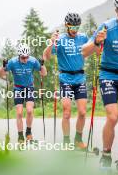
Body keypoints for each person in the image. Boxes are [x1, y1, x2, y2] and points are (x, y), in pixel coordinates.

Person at [82, 0, 118, 169]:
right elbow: (85, 52)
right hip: (109, 76)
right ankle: (106, 155)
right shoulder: (107, 28)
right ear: (117, 11)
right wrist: (97, 43)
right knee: (113, 117)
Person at [43, 12, 88, 149]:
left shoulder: (83, 38)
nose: (75, 31)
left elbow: (94, 49)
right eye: (72, 28)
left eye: (77, 28)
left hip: (80, 78)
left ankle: (78, 139)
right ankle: (66, 142)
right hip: (66, 79)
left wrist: (100, 44)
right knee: (67, 112)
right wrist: (51, 43)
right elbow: (46, 56)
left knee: (82, 112)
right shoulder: (60, 40)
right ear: (66, 26)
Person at [0, 43, 47, 144]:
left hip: (29, 87)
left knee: (29, 111)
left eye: (27, 57)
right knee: (19, 112)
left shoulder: (33, 61)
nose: (25, 59)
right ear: (19, 56)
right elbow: (0, 74)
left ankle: (28, 133)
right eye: (23, 57)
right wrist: (3, 67)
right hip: (18, 88)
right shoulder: (12, 62)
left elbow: (44, 73)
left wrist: (42, 65)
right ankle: (20, 136)